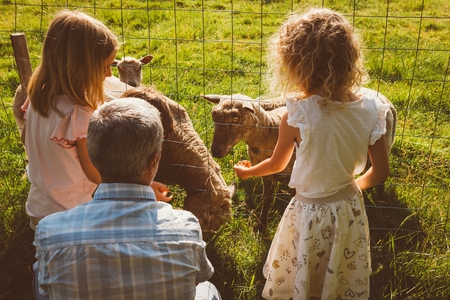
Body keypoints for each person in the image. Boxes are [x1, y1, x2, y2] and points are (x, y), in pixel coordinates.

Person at [234, 8, 390, 300]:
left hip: (309, 212)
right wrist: (350, 188)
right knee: (338, 270)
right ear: (349, 58)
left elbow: (276, 164)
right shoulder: (372, 108)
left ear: (295, 65)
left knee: (303, 270)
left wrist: (247, 172)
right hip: (348, 209)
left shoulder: (297, 114)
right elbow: (380, 171)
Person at [33, 98, 222, 300]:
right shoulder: (187, 229)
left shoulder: (50, 233)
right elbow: (198, 277)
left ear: (92, 156)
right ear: (154, 161)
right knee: (207, 288)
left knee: (40, 273)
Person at [21, 10, 171, 231]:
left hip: (39, 210)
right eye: (104, 67)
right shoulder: (79, 114)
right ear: (80, 67)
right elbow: (96, 173)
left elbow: (26, 140)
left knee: (49, 255)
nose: (109, 75)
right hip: (74, 215)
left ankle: (38, 266)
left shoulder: (37, 99)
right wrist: (141, 189)